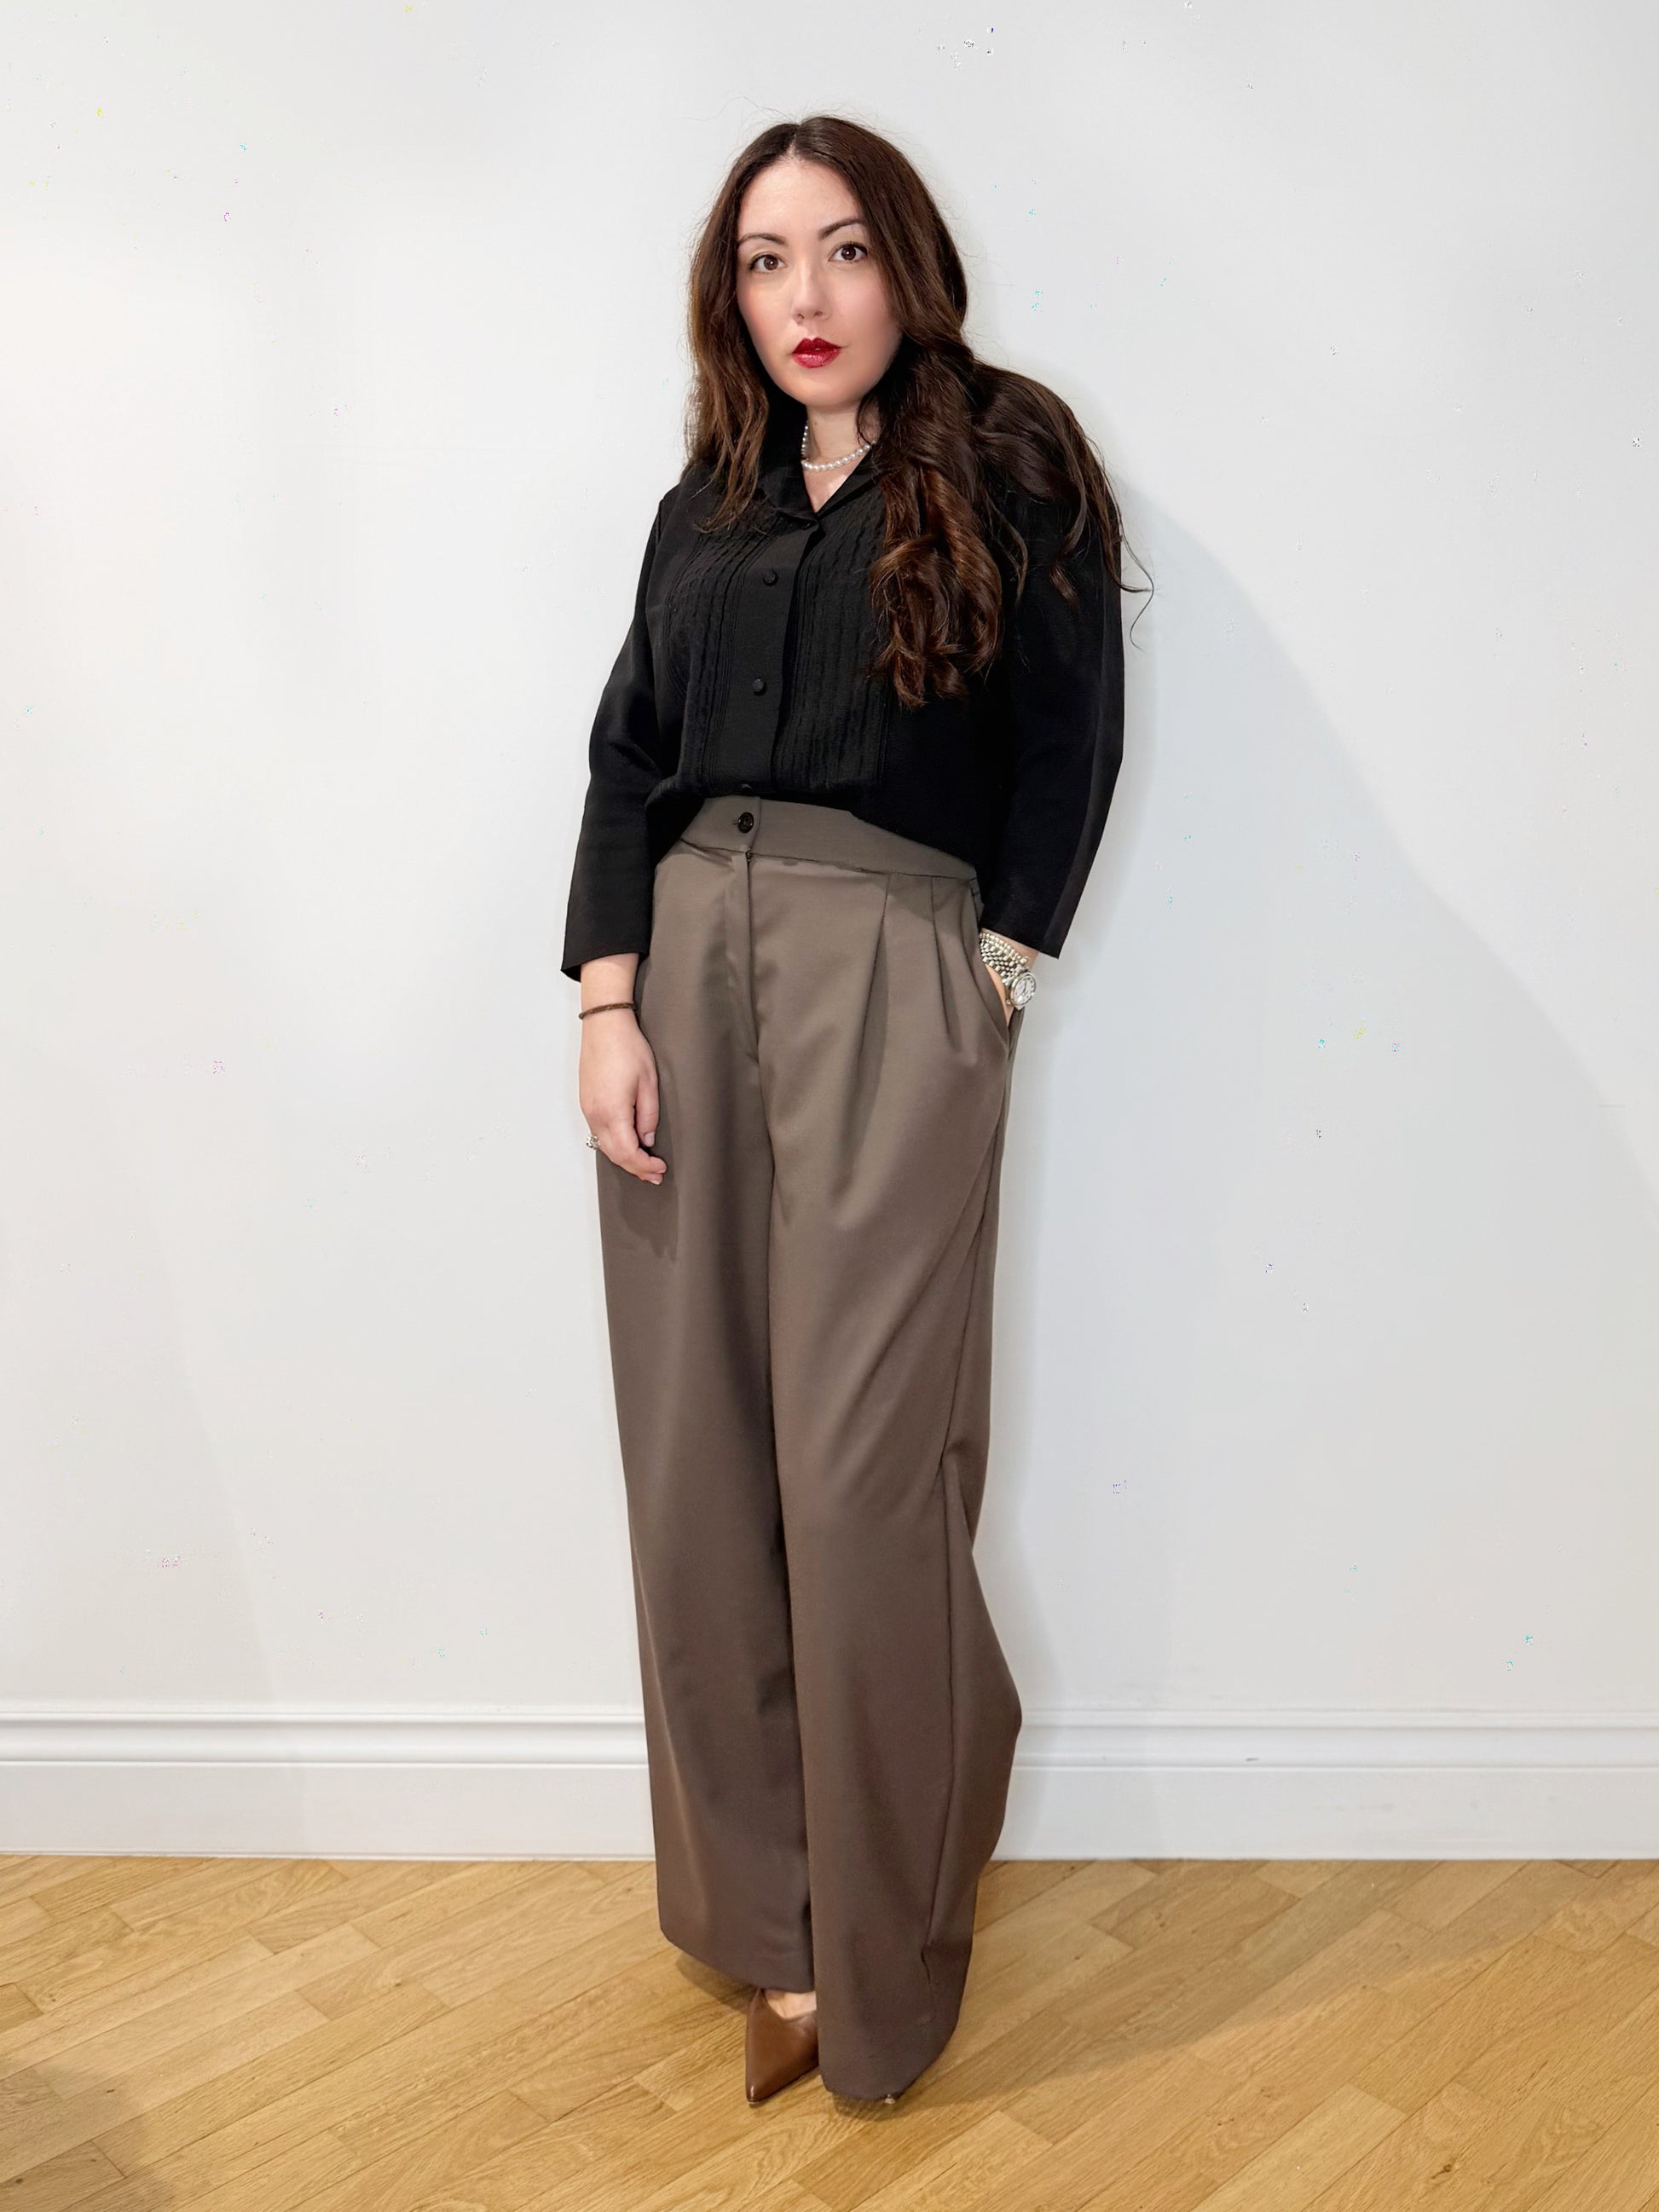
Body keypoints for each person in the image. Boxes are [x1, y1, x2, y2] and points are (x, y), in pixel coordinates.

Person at [561, 114, 1135, 2108]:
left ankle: (887, 1939)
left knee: (859, 1471)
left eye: (839, 249)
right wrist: (606, 998)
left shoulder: (1011, 455)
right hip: (679, 967)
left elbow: (1070, 728)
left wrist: (1000, 965)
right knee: (697, 1464)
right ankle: (775, 1921)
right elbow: (626, 750)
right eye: (761, 259)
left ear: (906, 262)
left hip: (893, 958)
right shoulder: (707, 500)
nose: (801, 296)